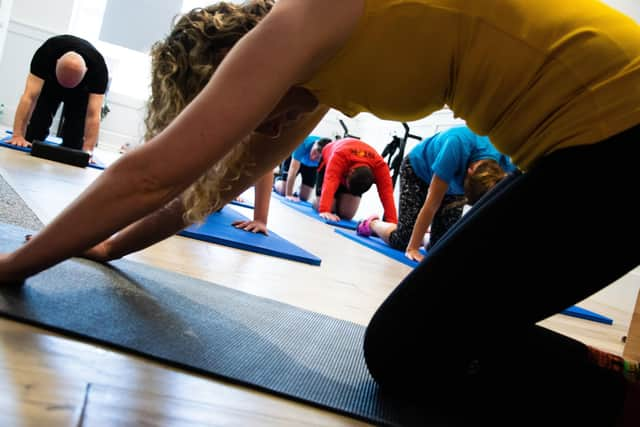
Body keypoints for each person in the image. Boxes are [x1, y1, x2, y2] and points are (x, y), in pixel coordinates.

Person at [1, 0, 639, 424]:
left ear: (235, 67)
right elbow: (218, 185)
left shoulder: (304, 21)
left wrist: (16, 265)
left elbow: (151, 173)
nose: (262, 127)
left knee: (403, 352)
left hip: (617, 128)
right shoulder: (316, 69)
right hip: (588, 142)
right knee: (437, 318)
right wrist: (108, 249)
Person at [356, 125, 516, 262]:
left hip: (452, 185)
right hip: (418, 171)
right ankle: (372, 223)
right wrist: (412, 248)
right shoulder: (456, 144)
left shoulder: (506, 159)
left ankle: (425, 233)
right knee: (403, 240)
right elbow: (431, 204)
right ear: (469, 171)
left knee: (441, 247)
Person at [7, 34, 109, 160]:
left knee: (73, 144)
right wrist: (17, 135)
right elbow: (29, 97)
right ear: (57, 62)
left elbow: (93, 114)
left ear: (86, 70)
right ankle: (33, 131)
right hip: (51, 85)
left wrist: (88, 150)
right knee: (34, 134)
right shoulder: (46, 53)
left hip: (80, 93)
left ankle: (74, 141)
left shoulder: (98, 69)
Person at [312, 137, 398, 223]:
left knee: (346, 214)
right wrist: (324, 210)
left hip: (352, 172)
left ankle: (338, 199)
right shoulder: (340, 155)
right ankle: (316, 201)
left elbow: (387, 194)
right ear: (350, 173)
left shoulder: (380, 166)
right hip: (331, 158)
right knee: (329, 208)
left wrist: (392, 222)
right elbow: (330, 181)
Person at [273, 135, 331, 201]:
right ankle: (277, 180)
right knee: (283, 191)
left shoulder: (328, 156)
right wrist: (289, 195)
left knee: (304, 198)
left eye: (318, 158)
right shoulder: (303, 143)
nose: (313, 158)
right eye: (314, 152)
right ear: (315, 143)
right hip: (294, 160)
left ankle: (299, 190)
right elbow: (293, 170)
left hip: (311, 167)